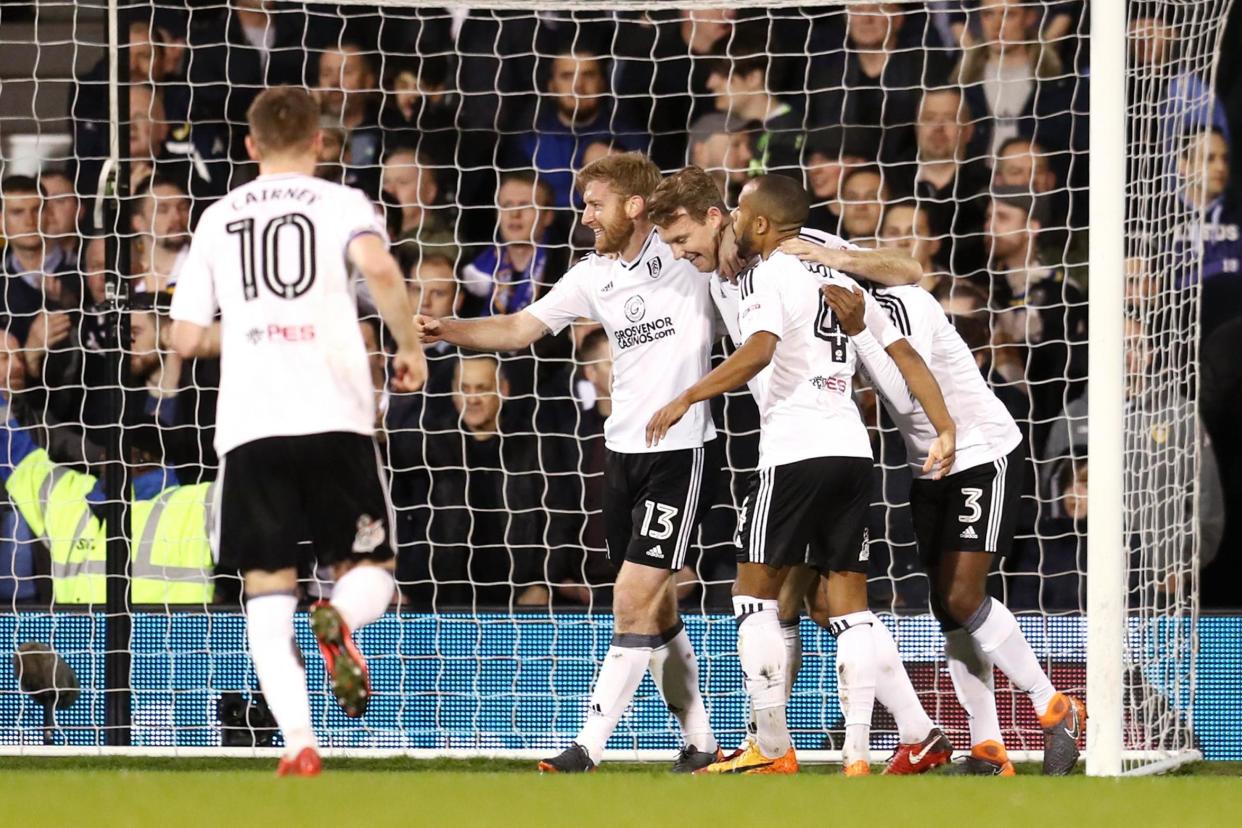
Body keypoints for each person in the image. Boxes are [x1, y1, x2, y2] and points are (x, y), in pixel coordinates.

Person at [416, 152, 722, 774]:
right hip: (622, 452)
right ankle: (703, 743)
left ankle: (587, 745)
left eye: (595, 205)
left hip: (682, 450)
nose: (584, 217)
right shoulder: (591, 275)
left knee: (631, 597)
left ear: (634, 206)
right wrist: (449, 328)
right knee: (655, 609)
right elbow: (519, 330)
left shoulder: (688, 251)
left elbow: (742, 232)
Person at [645, 172, 956, 775]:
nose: (681, 253)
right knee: (836, 605)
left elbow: (765, 344)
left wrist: (687, 397)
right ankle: (884, 748)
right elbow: (898, 350)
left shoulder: (785, 259)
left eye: (684, 237)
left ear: (730, 219)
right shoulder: (792, 272)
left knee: (753, 599)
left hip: (794, 449)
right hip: (849, 447)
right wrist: (943, 428)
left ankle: (771, 745)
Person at [169, 86, 427, 777]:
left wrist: (253, 330)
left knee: (266, 586)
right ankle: (340, 618)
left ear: (250, 147)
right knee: (370, 569)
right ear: (320, 142)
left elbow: (187, 335)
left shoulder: (219, 217)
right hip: (335, 414)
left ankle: (299, 744)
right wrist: (408, 347)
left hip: (251, 426)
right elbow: (378, 267)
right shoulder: (342, 203)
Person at [790, 237, 1087, 776]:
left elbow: (908, 391)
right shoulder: (832, 318)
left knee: (963, 594)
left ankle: (1054, 707)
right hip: (926, 464)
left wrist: (857, 331)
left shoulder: (907, 305)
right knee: (947, 610)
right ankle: (988, 747)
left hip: (978, 451)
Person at [461, 170, 564, 316]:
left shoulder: (567, 268)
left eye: (526, 205)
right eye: (507, 205)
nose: (514, 214)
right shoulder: (477, 267)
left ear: (548, 216)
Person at [704, 38, 804, 176]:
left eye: (721, 74)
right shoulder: (724, 130)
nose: (710, 83)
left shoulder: (791, 133)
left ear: (753, 78)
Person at [2, 175, 80, 343]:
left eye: (37, 210)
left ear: (48, 214)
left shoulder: (83, 270)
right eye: (17, 212)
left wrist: (67, 303)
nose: (30, 221)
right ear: (1, 220)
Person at [131, 174, 192, 293]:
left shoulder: (204, 265)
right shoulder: (125, 272)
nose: (176, 217)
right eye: (162, 210)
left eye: (183, 208)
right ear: (139, 222)